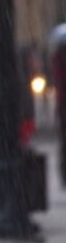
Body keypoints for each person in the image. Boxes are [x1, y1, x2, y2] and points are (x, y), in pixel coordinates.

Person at [52, 39, 66, 187]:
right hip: (63, 106)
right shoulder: (60, 58)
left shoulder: (58, 57)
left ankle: (64, 172)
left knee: (63, 141)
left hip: (62, 106)